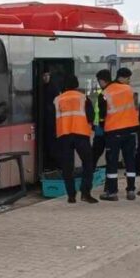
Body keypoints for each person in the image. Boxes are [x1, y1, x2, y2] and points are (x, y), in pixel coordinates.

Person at [53, 74, 98, 204]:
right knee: (88, 164)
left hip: (64, 135)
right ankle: (85, 193)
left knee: (67, 166)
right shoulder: (83, 98)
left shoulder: (58, 99)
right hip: (81, 134)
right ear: (77, 84)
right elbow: (90, 116)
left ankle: (71, 196)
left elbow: (53, 118)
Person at [99, 67, 140, 201]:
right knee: (130, 161)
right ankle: (131, 190)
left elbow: (102, 115)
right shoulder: (129, 89)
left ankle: (112, 192)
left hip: (114, 132)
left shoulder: (106, 92)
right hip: (131, 130)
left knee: (112, 162)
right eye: (128, 78)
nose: (128, 81)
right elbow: (135, 107)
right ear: (122, 78)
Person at [90, 72, 108, 170]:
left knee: (96, 152)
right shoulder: (104, 92)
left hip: (102, 128)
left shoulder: (104, 93)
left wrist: (99, 124)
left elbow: (103, 112)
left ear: (102, 80)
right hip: (102, 127)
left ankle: (91, 171)